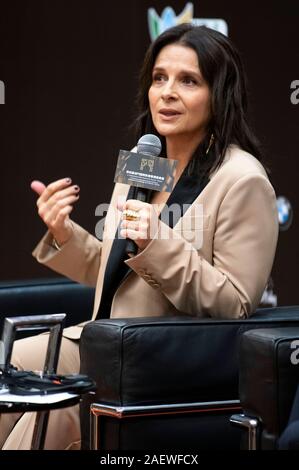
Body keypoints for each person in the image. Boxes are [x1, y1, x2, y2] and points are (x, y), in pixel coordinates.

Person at [0, 23, 278, 450]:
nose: (167, 92)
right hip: (99, 341)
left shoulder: (242, 179)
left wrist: (158, 242)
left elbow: (235, 303)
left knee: (52, 406)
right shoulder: (145, 161)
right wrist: (63, 232)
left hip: (158, 356)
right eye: (159, 78)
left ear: (219, 93)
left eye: (188, 81)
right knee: (4, 369)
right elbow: (114, 268)